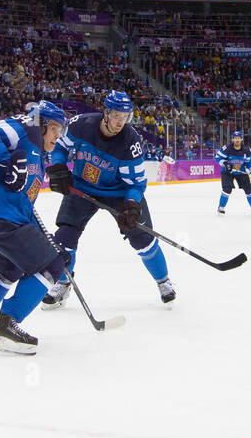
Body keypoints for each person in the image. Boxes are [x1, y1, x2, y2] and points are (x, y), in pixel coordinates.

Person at [44, 90, 175, 306]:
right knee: (64, 237)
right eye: (116, 116)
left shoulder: (130, 142)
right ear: (105, 112)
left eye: (124, 117)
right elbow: (60, 147)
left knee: (142, 239)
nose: (119, 122)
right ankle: (63, 282)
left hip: (119, 193)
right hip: (83, 188)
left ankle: (164, 281)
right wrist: (57, 166)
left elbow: (136, 183)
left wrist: (132, 204)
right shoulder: (80, 125)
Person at [0, 100, 71, 353]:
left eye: (61, 130)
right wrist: (4, 162)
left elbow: (25, 208)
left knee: (7, 269)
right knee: (51, 266)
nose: (57, 136)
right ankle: (7, 326)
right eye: (54, 128)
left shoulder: (38, 156)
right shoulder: (27, 127)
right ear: (41, 123)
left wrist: (48, 244)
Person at [215, 130, 251, 215]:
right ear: (232, 140)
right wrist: (225, 163)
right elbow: (217, 158)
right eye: (235, 138)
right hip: (227, 172)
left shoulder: (247, 150)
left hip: (241, 172)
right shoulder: (227, 149)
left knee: (248, 189)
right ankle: (221, 207)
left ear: (242, 139)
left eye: (238, 138)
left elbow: (248, 163)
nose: (237, 140)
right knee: (227, 189)